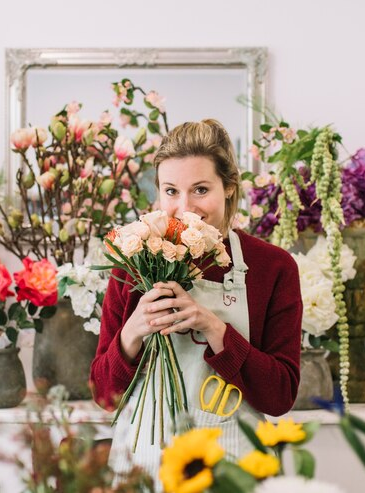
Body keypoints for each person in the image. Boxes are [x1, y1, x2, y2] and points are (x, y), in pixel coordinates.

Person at [89, 119, 302, 482]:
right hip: (142, 468)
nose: (184, 207)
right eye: (171, 191)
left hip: (234, 472)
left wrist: (215, 329)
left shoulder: (272, 267)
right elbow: (102, 391)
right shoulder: (133, 263)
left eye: (200, 189)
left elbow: (280, 396)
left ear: (229, 188)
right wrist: (133, 332)